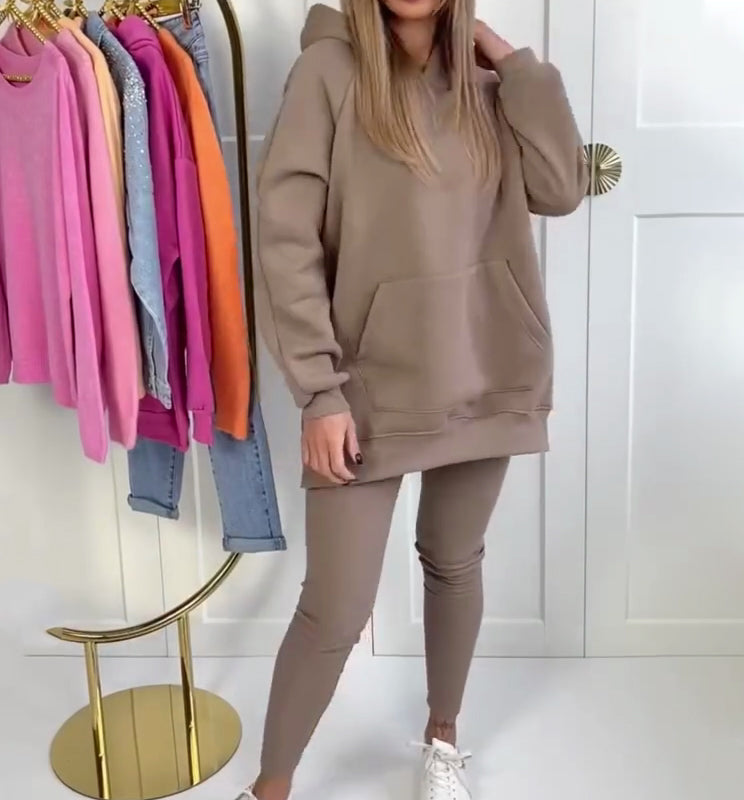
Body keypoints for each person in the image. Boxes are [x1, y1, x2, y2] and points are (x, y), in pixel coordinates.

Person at [242, 0, 587, 798]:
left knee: (455, 561)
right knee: (334, 609)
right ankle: (271, 787)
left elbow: (563, 187)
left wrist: (509, 60)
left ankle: (442, 740)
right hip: (365, 390)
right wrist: (319, 392)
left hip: (487, 368)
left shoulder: (489, 84)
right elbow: (286, 242)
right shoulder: (327, 73)